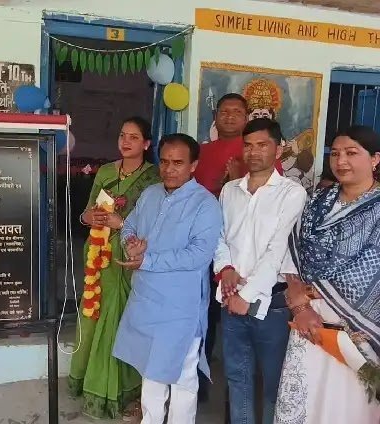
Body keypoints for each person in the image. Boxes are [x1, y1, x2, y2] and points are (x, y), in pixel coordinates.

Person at [112, 133, 223, 424]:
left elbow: (199, 255)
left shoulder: (205, 204)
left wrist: (147, 260)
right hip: (146, 299)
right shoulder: (151, 194)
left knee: (182, 376)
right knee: (151, 370)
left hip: (180, 307)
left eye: (177, 163)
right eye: (164, 162)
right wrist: (131, 242)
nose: (169, 169)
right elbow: (129, 226)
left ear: (193, 165)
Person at [274, 125, 380, 424]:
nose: (341, 161)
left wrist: (309, 295)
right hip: (308, 323)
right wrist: (300, 306)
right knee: (307, 398)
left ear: (375, 159)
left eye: (351, 153)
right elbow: (293, 253)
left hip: (357, 328)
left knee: (346, 405)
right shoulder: (318, 202)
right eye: (335, 154)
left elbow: (371, 268)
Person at [214, 118, 307, 424]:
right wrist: (225, 269)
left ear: (278, 149)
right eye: (248, 145)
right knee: (237, 378)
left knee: (273, 383)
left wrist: (247, 295)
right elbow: (219, 236)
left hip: (272, 303)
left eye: (262, 145)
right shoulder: (230, 190)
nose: (253, 152)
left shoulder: (292, 193)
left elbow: (278, 250)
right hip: (231, 298)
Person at [194, 93, 285, 402]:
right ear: (215, 117)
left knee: (249, 352)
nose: (230, 116)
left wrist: (236, 179)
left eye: (236, 112)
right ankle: (201, 382)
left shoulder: (265, 163)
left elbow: (265, 215)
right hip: (212, 254)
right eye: (224, 111)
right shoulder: (203, 152)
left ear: (246, 117)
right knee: (205, 320)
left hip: (252, 270)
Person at [68, 116, 161, 420]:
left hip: (129, 258)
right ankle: (88, 380)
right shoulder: (107, 171)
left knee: (121, 321)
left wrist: (122, 224)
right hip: (99, 256)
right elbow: (87, 211)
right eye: (123, 135)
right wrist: (87, 218)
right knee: (94, 316)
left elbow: (155, 226)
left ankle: (122, 390)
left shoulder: (154, 179)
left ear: (146, 144)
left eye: (134, 137)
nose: (126, 141)